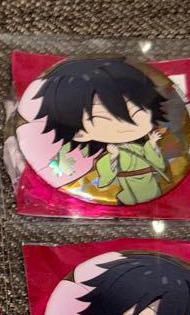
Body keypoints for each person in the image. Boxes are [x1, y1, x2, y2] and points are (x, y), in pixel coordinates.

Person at [34, 56, 171, 204]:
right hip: (128, 191)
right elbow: (105, 178)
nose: (125, 123)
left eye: (137, 111)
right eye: (104, 118)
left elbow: (159, 164)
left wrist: (152, 143)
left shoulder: (140, 146)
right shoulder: (109, 152)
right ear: (80, 133)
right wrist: (113, 156)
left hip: (151, 186)